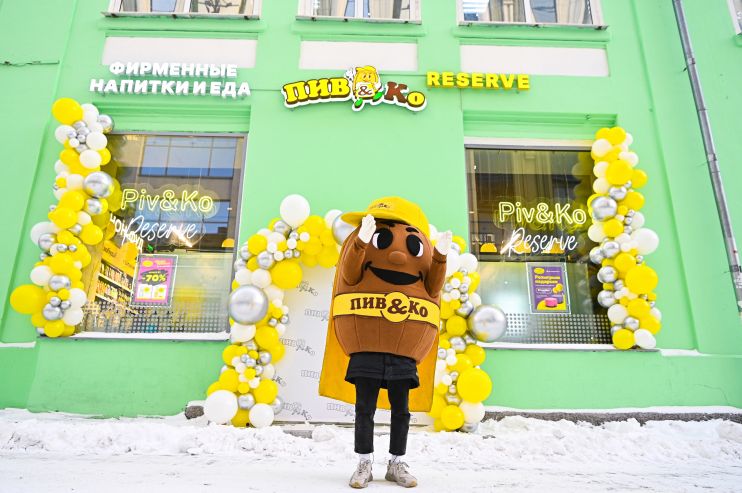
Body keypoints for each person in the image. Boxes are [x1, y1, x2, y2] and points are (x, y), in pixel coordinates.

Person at [318, 197, 450, 488]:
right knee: (364, 409)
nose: (398, 256)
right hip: (366, 349)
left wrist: (440, 256)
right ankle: (364, 462)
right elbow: (350, 273)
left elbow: (432, 286)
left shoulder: (425, 247)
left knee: (401, 411)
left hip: (403, 352)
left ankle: (396, 463)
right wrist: (361, 243)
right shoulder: (360, 243)